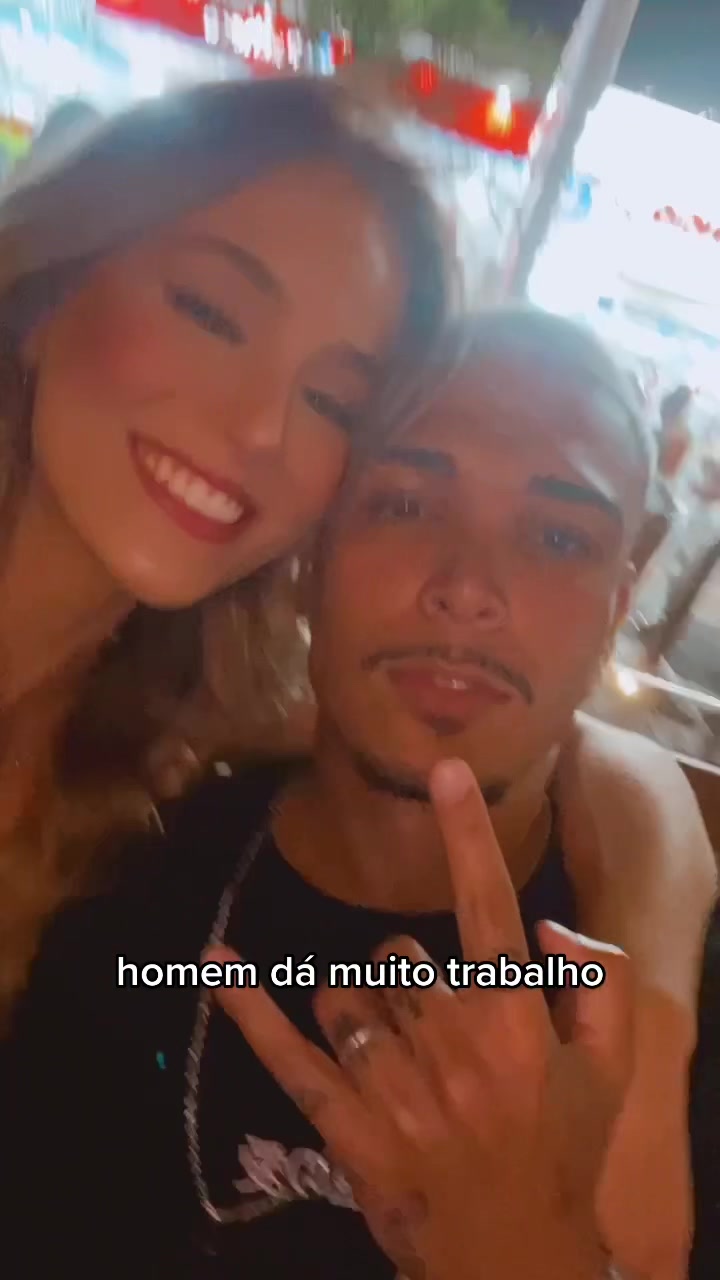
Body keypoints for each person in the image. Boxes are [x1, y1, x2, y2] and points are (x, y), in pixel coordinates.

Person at [3, 309, 715, 1279]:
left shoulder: (679, 1008)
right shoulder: (118, 894)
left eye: (557, 535)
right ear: (311, 557)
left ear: (618, 604)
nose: (468, 586)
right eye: (405, 504)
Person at [0, 75, 449, 1027]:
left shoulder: (200, 748)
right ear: (49, 292)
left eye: (332, 403)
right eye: (210, 314)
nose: (261, 428)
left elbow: (601, 772)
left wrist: (657, 1008)